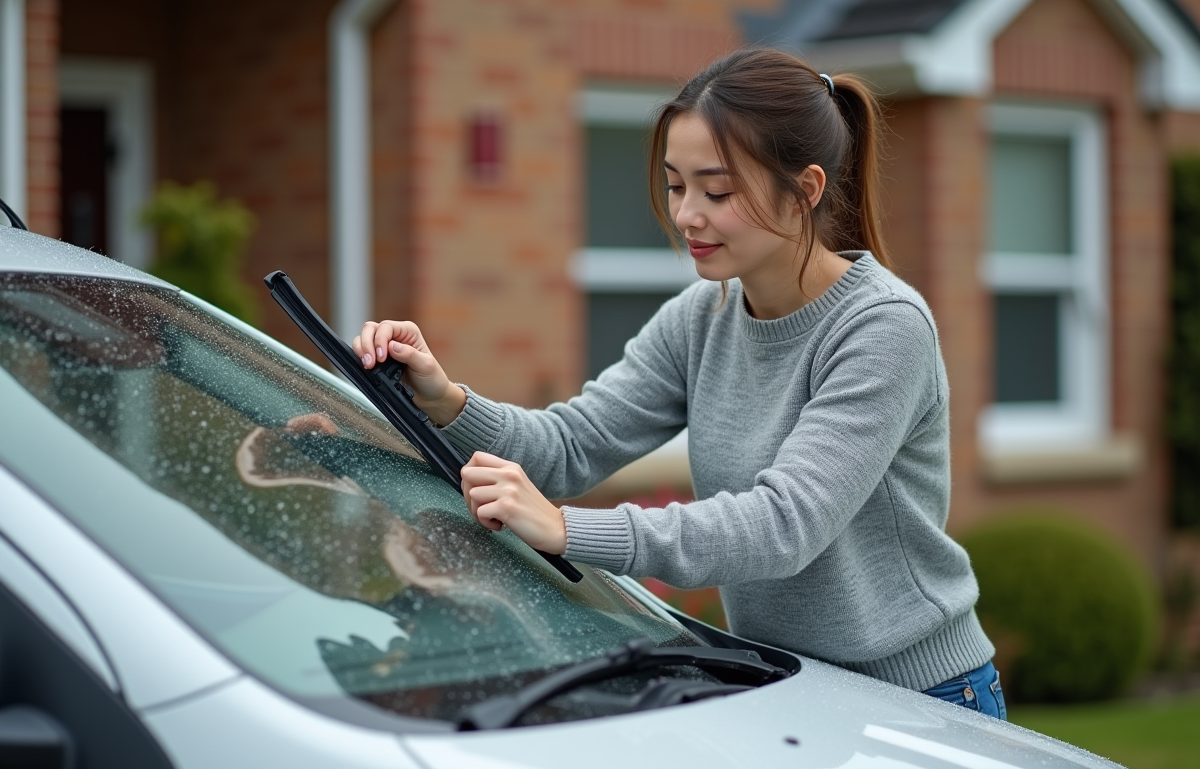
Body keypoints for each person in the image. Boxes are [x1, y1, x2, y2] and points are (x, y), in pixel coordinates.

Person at [353, 48, 1005, 720]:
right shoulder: (704, 317)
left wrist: (564, 529)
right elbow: (574, 442)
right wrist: (444, 399)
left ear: (806, 189)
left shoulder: (882, 327)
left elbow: (784, 526)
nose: (688, 215)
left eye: (717, 191)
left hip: (920, 697)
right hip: (790, 687)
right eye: (675, 185)